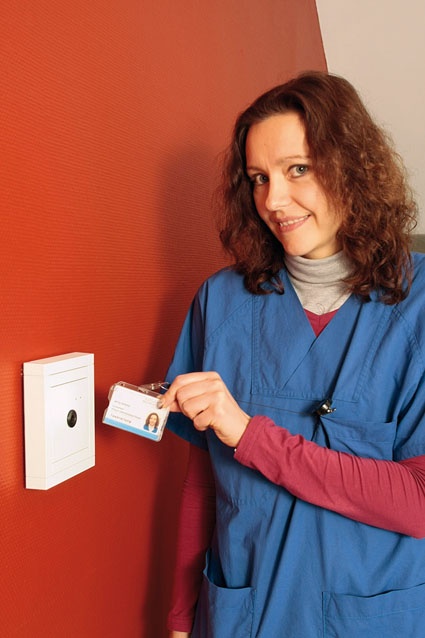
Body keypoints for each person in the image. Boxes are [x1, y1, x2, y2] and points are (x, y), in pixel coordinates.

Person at [159, 71, 425, 637]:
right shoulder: (222, 300)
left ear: (352, 167)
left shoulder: (418, 306)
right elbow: (204, 481)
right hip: (243, 613)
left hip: (369, 618)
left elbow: (419, 501)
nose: (273, 201)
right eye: (258, 178)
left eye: (297, 169)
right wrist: (182, 617)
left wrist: (251, 435)